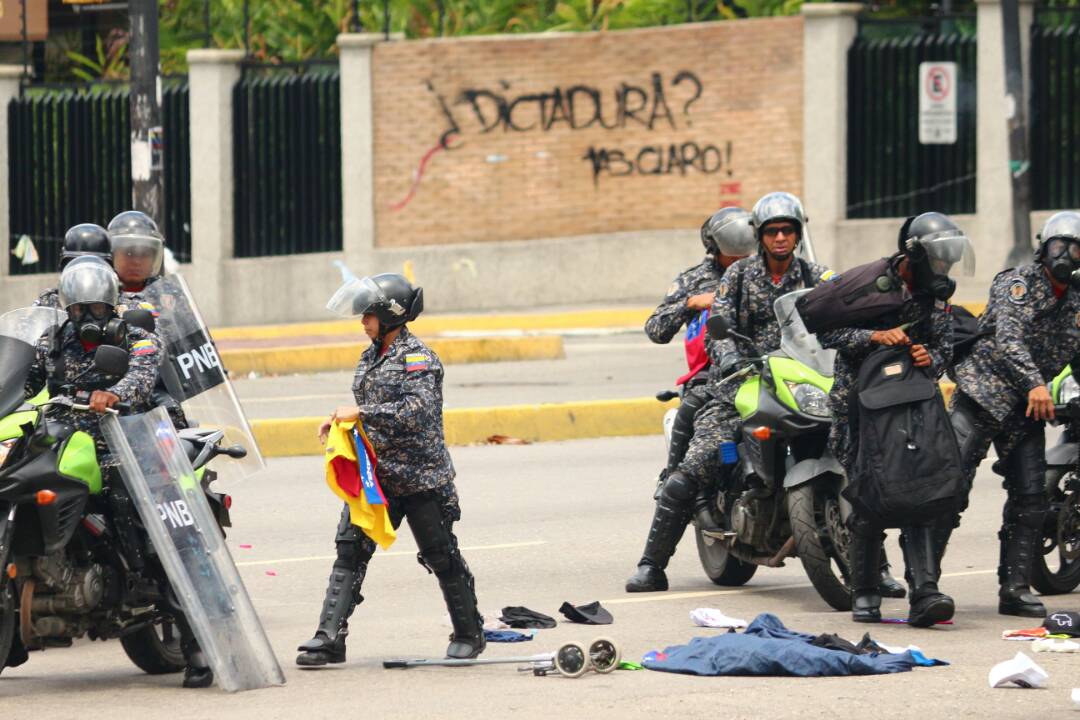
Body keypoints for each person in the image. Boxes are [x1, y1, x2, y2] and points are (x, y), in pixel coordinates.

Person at [625, 192, 841, 593]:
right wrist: (729, 359)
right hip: (740, 383)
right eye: (772, 231)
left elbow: (845, 305)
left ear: (797, 234)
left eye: (787, 230)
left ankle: (874, 568)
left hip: (803, 380)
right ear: (760, 235)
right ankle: (651, 564)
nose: (780, 238)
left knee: (858, 450)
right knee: (698, 463)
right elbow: (715, 329)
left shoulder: (815, 276)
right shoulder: (735, 278)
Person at [22, 257, 213, 687]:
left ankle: (196, 643)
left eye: (94, 309)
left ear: (109, 306)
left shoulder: (137, 336)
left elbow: (143, 378)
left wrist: (114, 393)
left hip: (123, 443)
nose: (85, 319)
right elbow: (26, 382)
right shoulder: (51, 340)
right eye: (77, 310)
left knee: (148, 534)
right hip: (65, 441)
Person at [296, 273, 485, 666]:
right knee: (350, 551)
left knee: (440, 555)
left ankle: (469, 632)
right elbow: (372, 417)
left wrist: (361, 412)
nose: (363, 321)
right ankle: (329, 637)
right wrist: (341, 424)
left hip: (419, 479)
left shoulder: (419, 359)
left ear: (390, 314)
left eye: (369, 314)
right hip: (376, 477)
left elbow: (418, 412)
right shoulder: (370, 356)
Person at [818, 212, 971, 625]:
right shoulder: (870, 285)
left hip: (910, 404)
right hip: (858, 406)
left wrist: (929, 357)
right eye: (937, 259)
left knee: (919, 490)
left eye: (948, 260)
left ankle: (925, 591)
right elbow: (828, 333)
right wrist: (873, 336)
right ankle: (865, 591)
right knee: (870, 492)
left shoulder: (936, 294)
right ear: (915, 254)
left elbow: (944, 348)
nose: (943, 268)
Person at [949, 211, 1080, 618]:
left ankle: (1015, 588)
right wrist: (1035, 384)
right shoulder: (1017, 283)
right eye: (1057, 245)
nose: (1063, 254)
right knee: (949, 491)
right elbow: (1008, 337)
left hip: (1025, 410)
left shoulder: (1075, 301)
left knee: (1030, 497)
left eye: (1073, 247)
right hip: (982, 396)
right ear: (1043, 246)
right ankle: (926, 588)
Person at [646, 207, 754, 485]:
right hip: (712, 375)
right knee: (692, 413)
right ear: (716, 247)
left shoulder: (763, 272)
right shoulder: (693, 279)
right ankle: (674, 480)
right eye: (733, 254)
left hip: (763, 367)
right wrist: (690, 303)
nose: (740, 260)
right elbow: (656, 330)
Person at [33, 223, 113, 309]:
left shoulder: (120, 302)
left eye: (94, 268)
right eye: (77, 265)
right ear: (64, 266)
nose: (85, 274)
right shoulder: (50, 301)